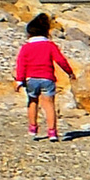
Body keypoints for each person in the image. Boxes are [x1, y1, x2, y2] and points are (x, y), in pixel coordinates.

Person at [13, 13, 76, 142]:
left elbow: (21, 64)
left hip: (31, 79)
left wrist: (19, 80)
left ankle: (33, 129)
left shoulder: (26, 47)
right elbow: (60, 60)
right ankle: (52, 132)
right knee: (49, 105)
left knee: (32, 102)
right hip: (47, 78)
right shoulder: (50, 46)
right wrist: (69, 72)